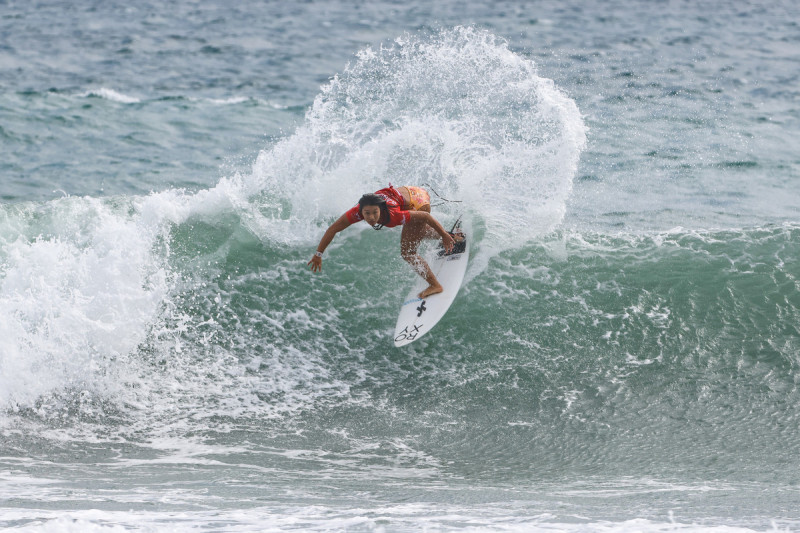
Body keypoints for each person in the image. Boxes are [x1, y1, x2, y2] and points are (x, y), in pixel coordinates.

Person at [307, 184, 457, 298]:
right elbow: (333, 229)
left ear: (381, 209)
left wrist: (443, 235)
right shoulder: (356, 212)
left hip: (418, 201)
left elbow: (425, 217)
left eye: (375, 213)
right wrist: (318, 254)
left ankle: (435, 285)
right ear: (361, 211)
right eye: (367, 213)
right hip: (410, 192)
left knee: (408, 253)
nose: (371, 217)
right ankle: (455, 237)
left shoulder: (394, 215)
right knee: (416, 231)